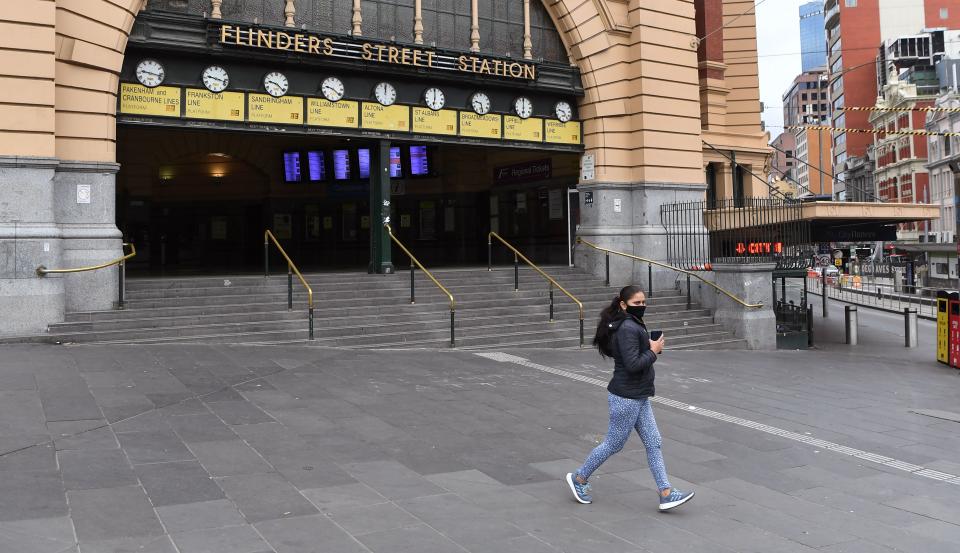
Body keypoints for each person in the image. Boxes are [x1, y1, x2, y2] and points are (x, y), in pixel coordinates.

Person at [565, 285, 694, 512]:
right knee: (614, 444)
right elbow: (633, 365)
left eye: (643, 302)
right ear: (623, 305)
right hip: (626, 397)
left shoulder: (632, 324)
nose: (641, 306)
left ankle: (666, 493)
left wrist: (651, 348)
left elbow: (632, 356)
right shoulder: (627, 328)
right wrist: (653, 350)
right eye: (637, 303)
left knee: (654, 442)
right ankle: (579, 478)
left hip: (639, 394)